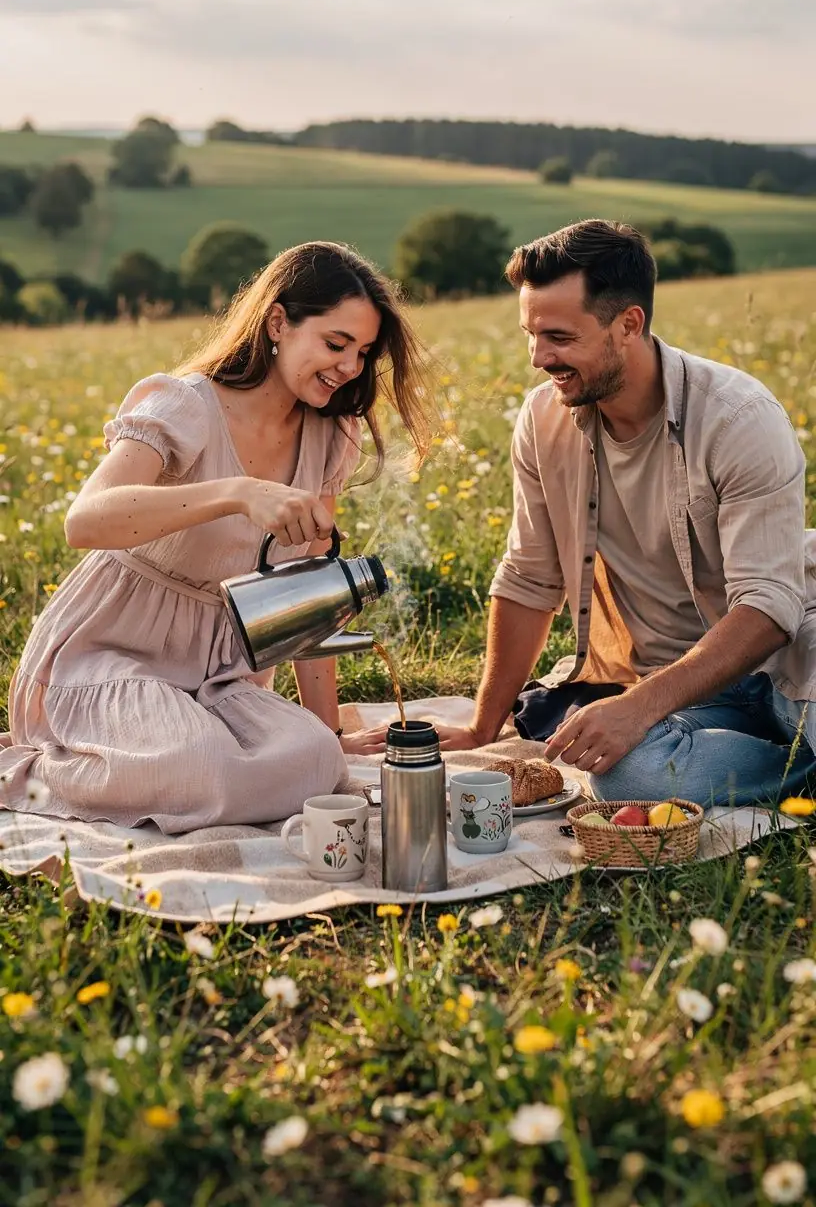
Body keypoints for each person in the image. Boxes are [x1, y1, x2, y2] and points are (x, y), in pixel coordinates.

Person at [0, 242, 430, 832]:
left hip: (219, 673)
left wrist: (329, 733)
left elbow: (310, 594)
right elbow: (86, 520)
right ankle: (26, 771)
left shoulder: (332, 433)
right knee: (198, 766)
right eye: (336, 344)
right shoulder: (186, 404)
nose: (350, 367)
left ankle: (184, 757)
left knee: (316, 762)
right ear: (277, 322)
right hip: (109, 653)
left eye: (362, 352)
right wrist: (237, 491)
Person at [434, 219, 816, 807]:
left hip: (787, 663)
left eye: (559, 337)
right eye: (530, 335)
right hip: (680, 690)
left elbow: (769, 608)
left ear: (629, 325)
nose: (538, 357)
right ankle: (794, 765)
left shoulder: (740, 419)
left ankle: (794, 755)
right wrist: (482, 728)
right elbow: (529, 578)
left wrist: (638, 707)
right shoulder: (543, 420)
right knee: (625, 776)